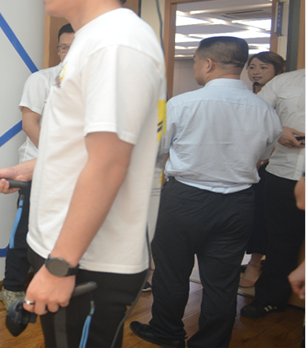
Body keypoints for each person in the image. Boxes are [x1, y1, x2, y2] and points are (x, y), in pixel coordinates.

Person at [0, 0, 166, 348]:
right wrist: (29, 170)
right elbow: (85, 149)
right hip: (70, 251)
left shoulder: (117, 42)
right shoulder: (92, 39)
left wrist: (60, 266)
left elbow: (109, 164)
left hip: (89, 263)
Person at [129, 37, 281, 348]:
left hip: (186, 200)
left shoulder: (180, 104)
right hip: (239, 203)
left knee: (171, 273)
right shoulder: (265, 110)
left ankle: (167, 333)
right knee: (222, 282)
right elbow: (264, 155)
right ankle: (211, 343)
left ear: (208, 63)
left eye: (196, 61)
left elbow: (156, 150)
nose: (196, 67)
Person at [0, 24, 75, 310]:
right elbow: (30, 124)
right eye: (64, 47)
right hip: (38, 170)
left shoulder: (95, 84)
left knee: (66, 233)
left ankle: (57, 285)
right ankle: (11, 287)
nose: (69, 53)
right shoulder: (41, 79)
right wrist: (58, 159)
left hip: (76, 174)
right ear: (58, 50)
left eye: (76, 47)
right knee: (25, 231)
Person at [241, 68, 305, 318]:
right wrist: (278, 129)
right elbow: (252, 112)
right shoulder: (285, 81)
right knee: (279, 241)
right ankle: (270, 299)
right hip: (283, 174)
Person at [241, 51, 286, 288]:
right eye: (252, 67)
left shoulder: (284, 99)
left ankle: (255, 263)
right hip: (244, 165)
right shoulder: (248, 97)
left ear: (279, 71)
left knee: (261, 216)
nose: (256, 72)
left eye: (263, 67)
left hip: (270, 167)